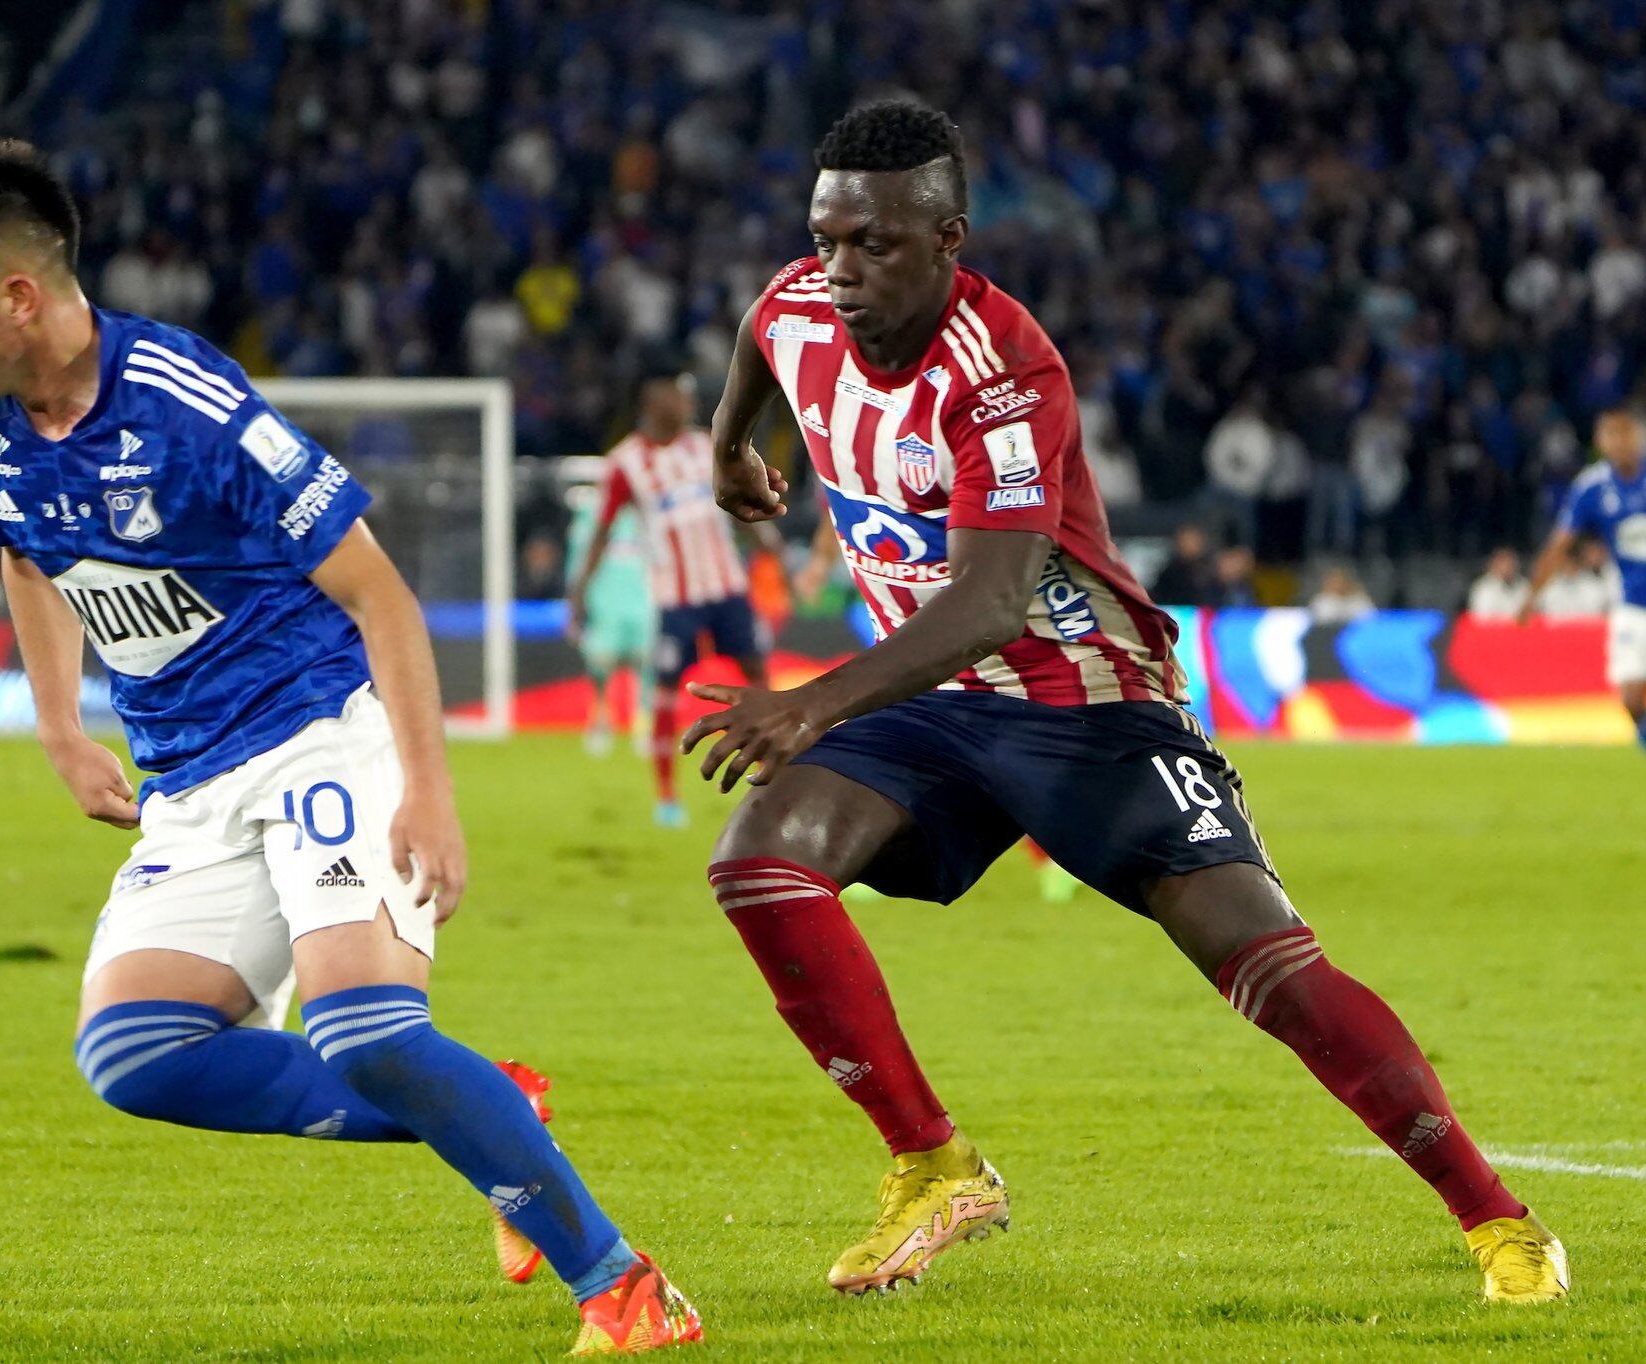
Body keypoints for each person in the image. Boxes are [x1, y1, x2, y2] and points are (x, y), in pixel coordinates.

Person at [686, 99, 1564, 1303]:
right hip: (934, 701)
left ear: (948, 239)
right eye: (826, 236)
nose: (838, 269)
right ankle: (932, 1162)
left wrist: (812, 702)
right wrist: (731, 444)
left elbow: (993, 603)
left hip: (1084, 700)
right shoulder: (798, 304)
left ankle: (1497, 1219)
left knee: (1265, 965)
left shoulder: (1002, 377)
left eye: (873, 245)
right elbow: (759, 330)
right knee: (759, 860)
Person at [0, 137, 698, 1356]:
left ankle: (623, 1287)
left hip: (320, 734)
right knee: (135, 1053)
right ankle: (495, 1106)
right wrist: (57, 724)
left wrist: (426, 794)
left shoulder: (190, 408)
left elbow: (383, 597)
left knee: (362, 1030)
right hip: (189, 778)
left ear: (18, 295)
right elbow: (23, 548)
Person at [568, 359, 779, 828]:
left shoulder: (706, 446)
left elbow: (743, 500)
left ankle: (775, 773)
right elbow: (602, 529)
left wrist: (770, 546)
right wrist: (580, 591)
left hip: (726, 587)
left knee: (758, 678)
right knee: (664, 693)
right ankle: (666, 796)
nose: (687, 402)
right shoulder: (626, 464)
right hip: (675, 598)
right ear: (651, 399)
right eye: (677, 393)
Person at [1521, 406, 1646, 751]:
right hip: (1633, 604)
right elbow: (1560, 543)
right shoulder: (1592, 487)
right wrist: (1533, 595)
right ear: (1600, 441)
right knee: (1631, 696)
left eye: (1625, 433)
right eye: (1611, 434)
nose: (1619, 442)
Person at [562, 483, 656, 757]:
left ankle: (645, 725)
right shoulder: (592, 516)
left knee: (647, 665)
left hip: (643, 604)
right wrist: (575, 603)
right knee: (600, 663)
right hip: (605, 605)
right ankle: (600, 720)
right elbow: (577, 562)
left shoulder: (648, 514)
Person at [1466, 548, 1530, 620]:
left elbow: (1532, 612)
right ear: (1494, 565)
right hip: (1491, 629)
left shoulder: (1524, 585)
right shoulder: (1482, 588)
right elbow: (1479, 618)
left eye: (1511, 563)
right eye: (1503, 563)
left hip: (1520, 629)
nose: (1508, 567)